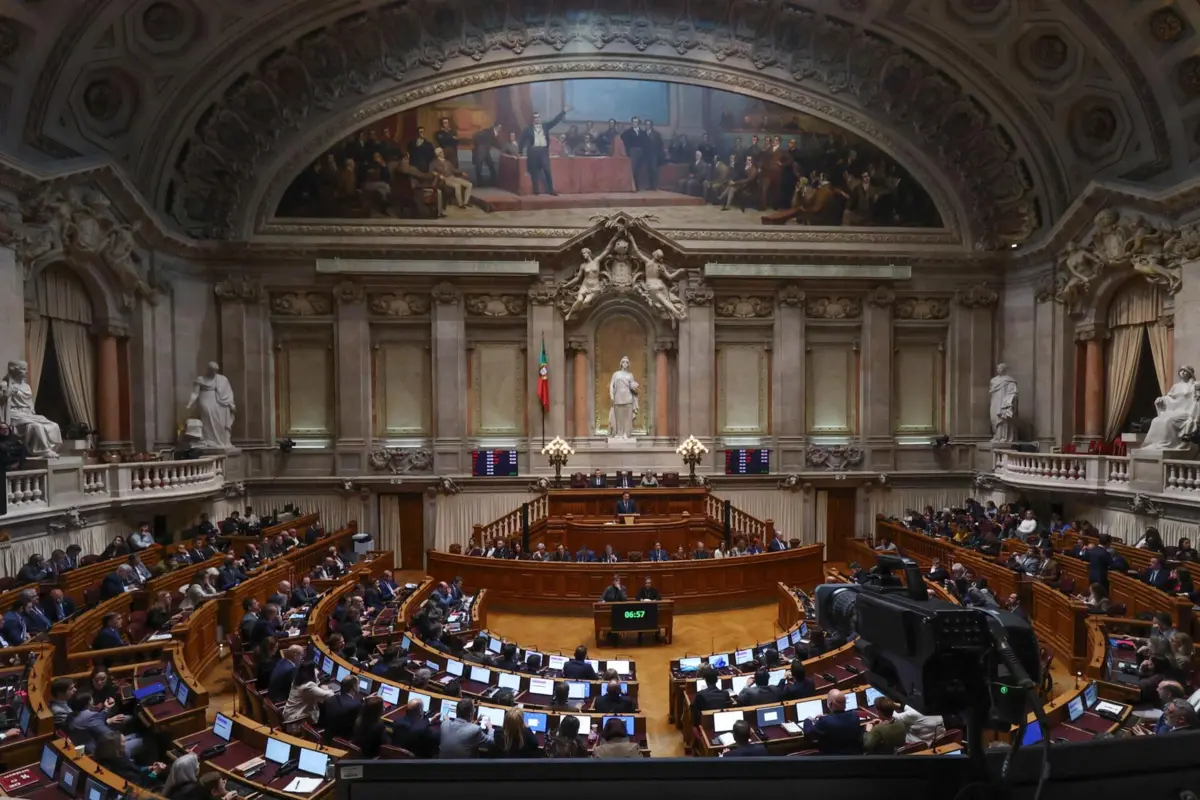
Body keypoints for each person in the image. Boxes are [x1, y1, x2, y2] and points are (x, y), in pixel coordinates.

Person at [519, 107, 570, 195]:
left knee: (547, 171)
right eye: (535, 117)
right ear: (532, 119)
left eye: (538, 117)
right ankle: (536, 190)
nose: (537, 119)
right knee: (534, 172)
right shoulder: (528, 129)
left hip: (543, 151)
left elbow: (555, 121)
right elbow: (522, 140)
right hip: (533, 151)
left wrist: (563, 112)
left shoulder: (545, 126)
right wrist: (520, 151)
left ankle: (551, 190)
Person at [94, 732, 166, 788]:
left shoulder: (113, 757)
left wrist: (148, 768)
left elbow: (134, 768)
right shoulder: (121, 771)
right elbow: (143, 785)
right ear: (117, 749)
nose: (126, 743)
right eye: (123, 741)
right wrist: (155, 772)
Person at [802, 689, 862, 754]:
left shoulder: (825, 721)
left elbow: (809, 733)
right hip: (854, 757)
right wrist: (828, 716)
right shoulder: (855, 716)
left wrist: (808, 720)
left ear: (830, 704)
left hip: (833, 758)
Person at [282, 660, 334, 729]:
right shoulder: (308, 686)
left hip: (289, 714)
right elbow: (328, 695)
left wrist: (315, 677)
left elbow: (313, 687)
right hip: (296, 721)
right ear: (311, 672)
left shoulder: (297, 681)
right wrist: (326, 689)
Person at [319, 675, 362, 740]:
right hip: (341, 742)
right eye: (358, 684)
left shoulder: (331, 699)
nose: (359, 686)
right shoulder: (357, 705)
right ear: (354, 687)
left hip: (327, 736)